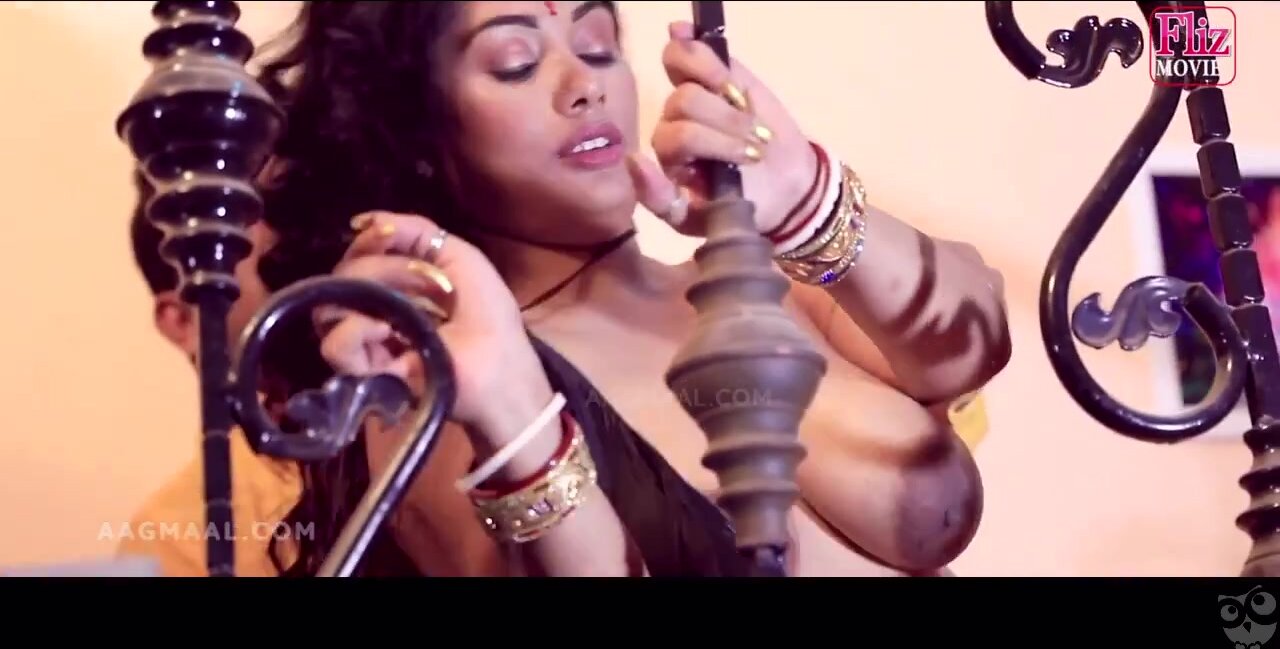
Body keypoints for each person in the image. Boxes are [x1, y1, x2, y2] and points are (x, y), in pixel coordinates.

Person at [186, 0, 1010, 577]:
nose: (582, 83)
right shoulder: (450, 389)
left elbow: (976, 344)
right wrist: (515, 412)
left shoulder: (761, 281)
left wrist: (806, 197)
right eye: (515, 63)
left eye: (597, 43)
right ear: (422, 137)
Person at [117, 169, 302, 577]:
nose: (283, 236)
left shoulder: (413, 398)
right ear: (182, 320)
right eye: (240, 218)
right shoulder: (173, 540)